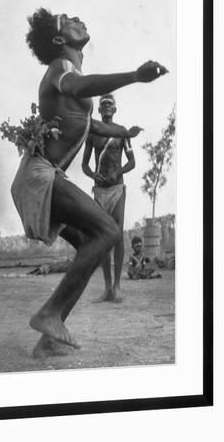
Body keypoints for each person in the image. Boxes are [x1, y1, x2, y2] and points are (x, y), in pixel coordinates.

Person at [11, 8, 168, 356]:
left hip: (40, 177)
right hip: (40, 175)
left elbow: (90, 125)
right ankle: (50, 313)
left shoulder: (70, 82)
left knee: (92, 244)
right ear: (59, 39)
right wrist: (134, 76)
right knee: (109, 232)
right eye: (66, 19)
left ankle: (49, 337)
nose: (76, 17)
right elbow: (80, 86)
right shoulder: (61, 70)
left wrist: (124, 132)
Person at [82, 93, 136, 303]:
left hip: (117, 188)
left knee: (117, 234)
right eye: (102, 104)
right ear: (99, 109)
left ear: (115, 109)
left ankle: (117, 287)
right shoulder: (93, 134)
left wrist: (118, 172)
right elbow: (85, 165)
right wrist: (92, 174)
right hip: (100, 190)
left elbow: (132, 162)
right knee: (103, 236)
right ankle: (106, 288)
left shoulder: (122, 133)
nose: (105, 107)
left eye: (109, 105)